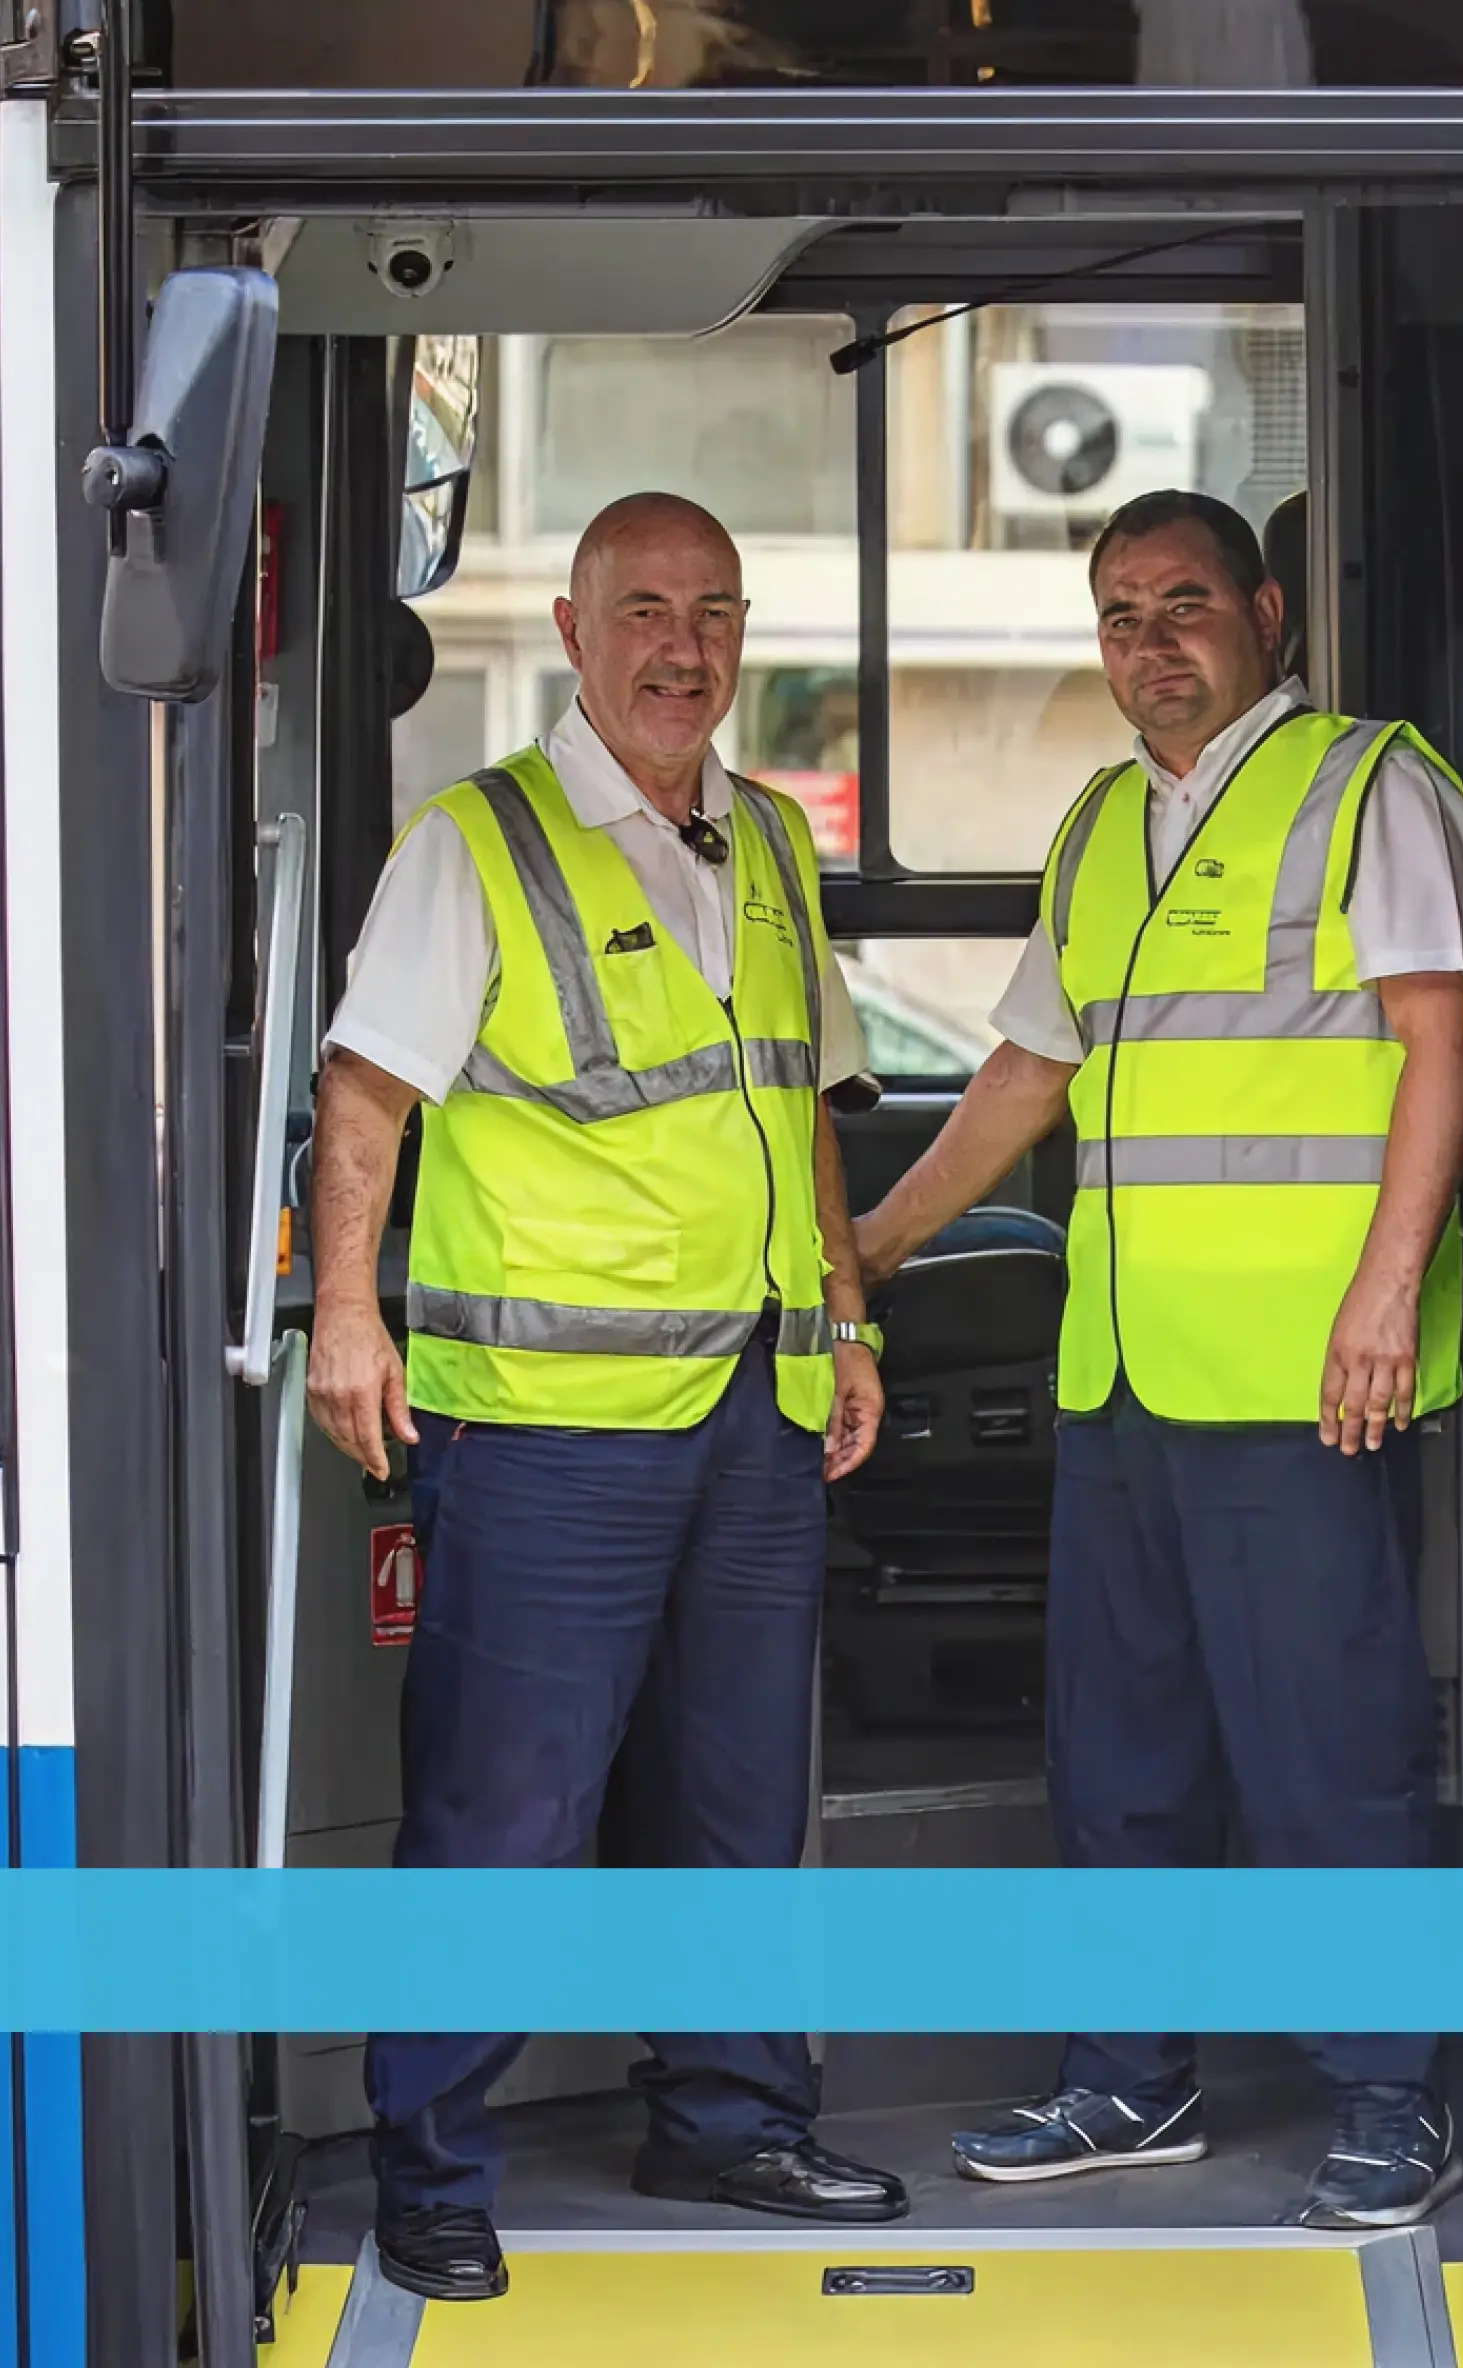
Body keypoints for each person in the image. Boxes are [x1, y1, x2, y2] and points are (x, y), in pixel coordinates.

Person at [854, 487, 1463, 2229]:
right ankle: (1126, 2076)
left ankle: (1389, 2096)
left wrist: (1384, 1289)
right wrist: (876, 1252)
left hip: (1301, 1375)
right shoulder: (1102, 828)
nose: (1152, 645)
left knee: (1329, 1754)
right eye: (1121, 616)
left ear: (1267, 613)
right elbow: (1027, 1076)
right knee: (1116, 1753)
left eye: (1184, 604)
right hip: (1122, 1376)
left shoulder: (1369, 790)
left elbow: (1442, 1048)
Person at [308, 491, 907, 2303]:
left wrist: (853, 1313)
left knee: (736, 1793)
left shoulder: (774, 844)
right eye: (644, 608)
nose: (684, 645)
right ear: (571, 631)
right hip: (548, 1428)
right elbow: (364, 1103)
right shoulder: (472, 843)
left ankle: (728, 2120)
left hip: (758, 1411)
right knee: (508, 1805)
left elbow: (801, 1107)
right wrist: (350, 1313)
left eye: (716, 612)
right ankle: (430, 2164)